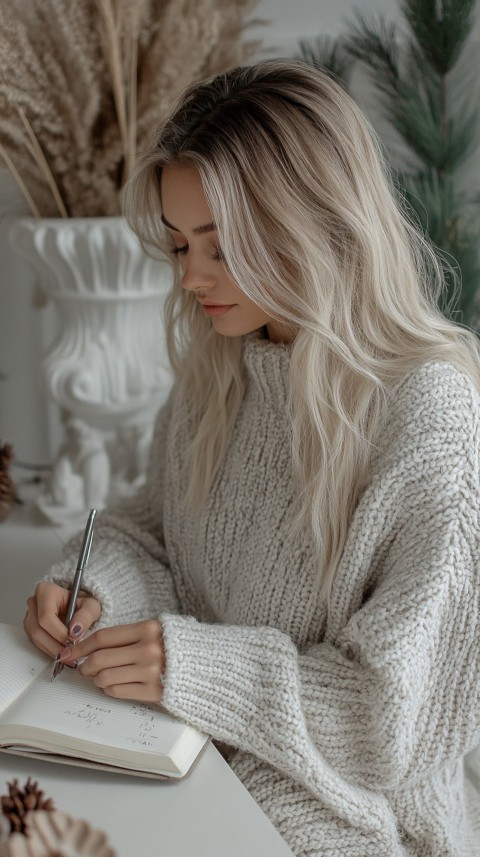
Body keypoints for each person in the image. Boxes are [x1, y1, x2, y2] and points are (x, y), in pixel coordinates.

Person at [23, 59, 480, 856]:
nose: (192, 279)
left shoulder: (430, 419)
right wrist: (92, 587)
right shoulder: (223, 364)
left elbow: (389, 726)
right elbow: (153, 532)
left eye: (223, 247)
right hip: (191, 760)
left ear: (318, 222)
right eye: (176, 246)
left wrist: (188, 664)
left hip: (351, 820)